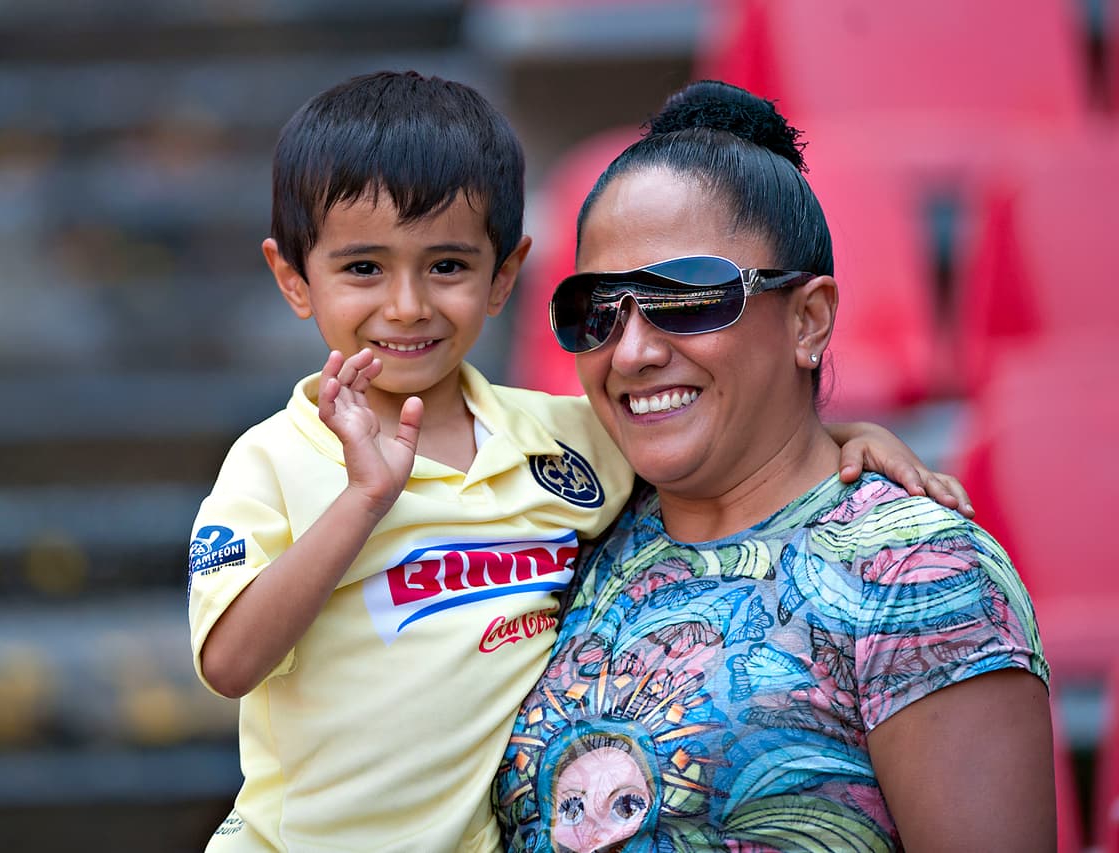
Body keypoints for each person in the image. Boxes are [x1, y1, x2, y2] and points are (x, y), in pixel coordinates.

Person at [187, 71, 976, 853]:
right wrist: (362, 500)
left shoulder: (570, 437)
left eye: (447, 267)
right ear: (294, 278)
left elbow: (741, 443)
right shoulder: (273, 459)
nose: (406, 304)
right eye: (364, 268)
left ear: (504, 276)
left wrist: (846, 437)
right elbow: (229, 663)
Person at [492, 80, 1054, 852]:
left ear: (809, 319)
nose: (631, 351)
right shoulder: (569, 531)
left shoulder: (921, 577)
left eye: (685, 298)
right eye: (596, 308)